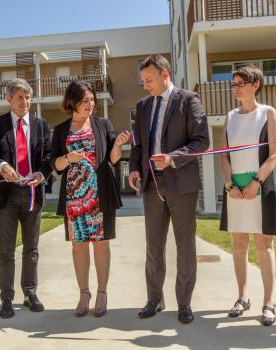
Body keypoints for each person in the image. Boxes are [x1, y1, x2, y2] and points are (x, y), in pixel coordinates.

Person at [129, 55, 209, 323]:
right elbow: (138, 145)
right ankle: (154, 299)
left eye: (149, 80)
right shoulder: (141, 107)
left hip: (182, 184)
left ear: (165, 74)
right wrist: (134, 169)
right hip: (152, 185)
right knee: (154, 246)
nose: (146, 86)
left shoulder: (189, 100)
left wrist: (173, 157)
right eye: (143, 81)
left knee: (185, 247)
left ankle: (184, 304)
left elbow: (202, 141)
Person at [51, 80, 130, 317]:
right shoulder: (61, 130)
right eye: (85, 100)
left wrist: (117, 144)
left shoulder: (103, 124)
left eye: (92, 99)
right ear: (72, 102)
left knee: (102, 245)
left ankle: (102, 293)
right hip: (74, 198)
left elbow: (113, 159)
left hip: (100, 194)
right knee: (79, 246)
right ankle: (83, 293)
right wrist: (68, 158)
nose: (90, 104)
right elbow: (55, 164)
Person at [0, 78, 52, 319]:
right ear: (9, 99)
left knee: (31, 249)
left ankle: (30, 292)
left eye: (28, 97)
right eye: (20, 97)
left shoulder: (41, 124)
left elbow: (49, 157)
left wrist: (42, 173)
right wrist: (1, 165)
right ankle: (7, 298)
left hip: (33, 194)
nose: (25, 102)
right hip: (6, 196)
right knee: (6, 251)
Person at [220, 65, 276, 326]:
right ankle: (242, 297)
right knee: (239, 245)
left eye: (241, 82)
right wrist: (229, 184)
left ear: (255, 85)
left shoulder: (268, 113)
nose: (236, 87)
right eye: (234, 83)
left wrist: (256, 182)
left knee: (263, 246)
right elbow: (224, 155)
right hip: (236, 191)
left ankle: (268, 302)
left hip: (259, 187)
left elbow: (274, 154)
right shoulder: (229, 116)